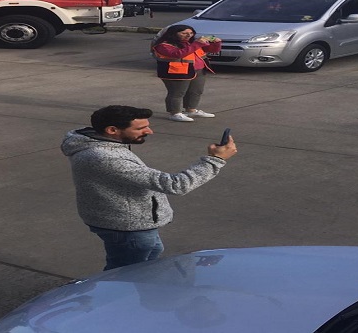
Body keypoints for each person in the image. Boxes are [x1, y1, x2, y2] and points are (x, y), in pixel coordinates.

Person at [62, 105, 236, 271]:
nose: (149, 131)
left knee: (148, 260)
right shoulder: (105, 157)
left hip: (130, 222)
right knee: (124, 273)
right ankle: (118, 299)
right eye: (140, 128)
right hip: (127, 228)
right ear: (112, 130)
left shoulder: (98, 140)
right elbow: (176, 184)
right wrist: (215, 160)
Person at [152, 25, 222, 122]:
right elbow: (179, 54)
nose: (188, 35)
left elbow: (213, 50)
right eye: (184, 33)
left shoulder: (191, 43)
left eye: (191, 33)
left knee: (196, 91)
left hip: (198, 70)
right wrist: (196, 44)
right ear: (173, 34)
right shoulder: (164, 45)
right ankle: (174, 113)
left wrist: (217, 42)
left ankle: (191, 110)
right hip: (177, 72)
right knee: (177, 93)